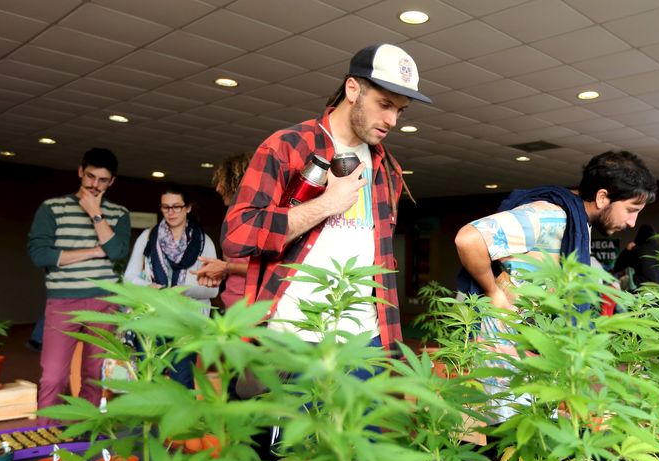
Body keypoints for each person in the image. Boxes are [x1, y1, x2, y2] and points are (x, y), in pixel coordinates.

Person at [222, 43, 430, 356]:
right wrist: (325, 205)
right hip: (292, 340)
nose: (392, 120)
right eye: (384, 104)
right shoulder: (288, 146)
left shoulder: (387, 169)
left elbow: (381, 260)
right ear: (352, 89)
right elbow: (238, 235)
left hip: (367, 343)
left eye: (399, 110)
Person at [454, 150, 657, 420]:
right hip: (506, 357)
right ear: (602, 197)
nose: (632, 222)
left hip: (535, 352)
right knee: (512, 449)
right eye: (631, 210)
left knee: (535, 445)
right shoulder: (549, 216)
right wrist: (493, 291)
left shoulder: (577, 225)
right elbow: (469, 239)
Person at [27, 148, 130, 421]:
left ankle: (86, 431)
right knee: (53, 375)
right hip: (63, 300)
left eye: (102, 180)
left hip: (104, 301)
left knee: (95, 374)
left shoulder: (118, 213)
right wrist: (94, 252)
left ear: (112, 182)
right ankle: (44, 438)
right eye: (90, 176)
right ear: (80, 171)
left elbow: (118, 250)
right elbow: (40, 255)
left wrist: (96, 214)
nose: (94, 185)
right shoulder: (52, 208)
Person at [124, 185, 218, 388]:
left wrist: (179, 290)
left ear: (188, 208)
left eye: (177, 207)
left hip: (187, 322)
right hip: (152, 319)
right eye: (166, 207)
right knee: (148, 380)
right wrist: (157, 289)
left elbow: (212, 289)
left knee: (182, 383)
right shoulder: (148, 237)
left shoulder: (203, 242)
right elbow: (129, 278)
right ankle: (146, 420)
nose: (171, 212)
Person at [192, 153, 252, 311]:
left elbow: (271, 270)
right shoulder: (232, 217)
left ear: (236, 182)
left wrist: (225, 267)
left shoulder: (258, 218)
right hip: (232, 306)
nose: (218, 188)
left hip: (253, 312)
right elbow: (235, 265)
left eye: (222, 181)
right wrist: (218, 272)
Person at [613, 224, 659, 291]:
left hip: (639, 290)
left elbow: (618, 267)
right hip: (658, 290)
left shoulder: (636, 250)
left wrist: (626, 250)